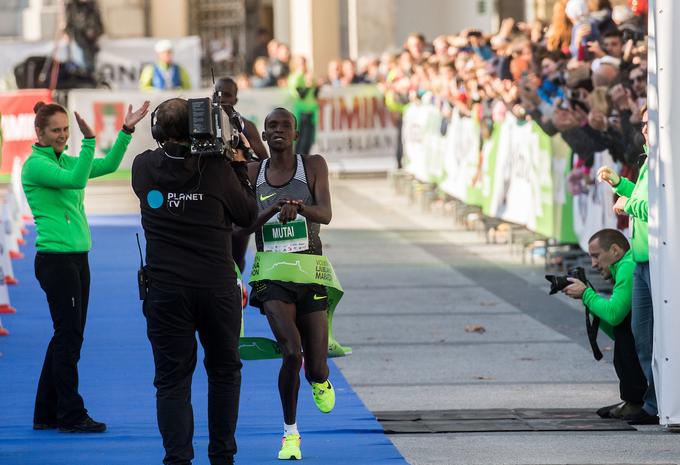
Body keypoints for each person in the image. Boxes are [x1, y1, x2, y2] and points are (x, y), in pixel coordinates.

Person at [131, 98, 258, 465]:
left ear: (157, 132)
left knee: (172, 379)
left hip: (166, 291)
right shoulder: (218, 169)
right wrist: (237, 163)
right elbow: (247, 214)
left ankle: (177, 459)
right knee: (224, 372)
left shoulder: (143, 167)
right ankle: (222, 457)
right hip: (216, 289)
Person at [22, 99, 150, 433]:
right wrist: (89, 140)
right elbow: (78, 181)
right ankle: (70, 414)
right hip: (56, 260)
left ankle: (46, 412)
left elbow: (106, 166)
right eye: (56, 130)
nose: (63, 135)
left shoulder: (63, 161)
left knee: (65, 336)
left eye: (66, 130)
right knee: (69, 337)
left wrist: (126, 130)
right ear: (39, 132)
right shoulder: (35, 165)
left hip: (76, 258)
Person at [240, 108, 341, 460]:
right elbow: (241, 226)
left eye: (285, 126)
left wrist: (299, 208)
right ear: (264, 137)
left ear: (296, 134)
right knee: (291, 351)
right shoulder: (253, 173)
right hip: (270, 273)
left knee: (315, 366)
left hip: (310, 269)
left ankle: (320, 379)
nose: (278, 130)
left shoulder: (312, 165)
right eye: (272, 127)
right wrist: (269, 212)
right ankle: (290, 435)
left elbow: (326, 213)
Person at [597, 105, 657, 425]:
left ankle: (658, 401)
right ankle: (652, 400)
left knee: (649, 335)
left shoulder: (665, 161)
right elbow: (644, 198)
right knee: (640, 335)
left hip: (657, 261)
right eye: (643, 123)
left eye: (650, 123)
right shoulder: (649, 159)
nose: (644, 129)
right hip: (643, 261)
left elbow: (661, 206)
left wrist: (628, 204)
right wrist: (621, 184)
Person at [562, 229, 647, 419]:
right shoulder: (624, 265)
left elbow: (615, 315)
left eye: (596, 256)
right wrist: (589, 300)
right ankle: (635, 400)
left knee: (626, 340)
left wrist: (587, 294)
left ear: (615, 251)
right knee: (624, 335)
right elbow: (615, 328)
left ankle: (638, 401)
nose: (593, 264)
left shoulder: (627, 266)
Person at [214, 76, 268, 272]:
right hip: (211, 196)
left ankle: (237, 295)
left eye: (227, 95)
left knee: (237, 254)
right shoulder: (201, 127)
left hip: (239, 196)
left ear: (236, 100)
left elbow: (264, 161)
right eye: (218, 93)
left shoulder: (246, 126)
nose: (222, 99)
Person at [288, 56, 319, 155]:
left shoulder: (308, 76)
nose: (304, 66)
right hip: (301, 113)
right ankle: (299, 162)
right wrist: (308, 85)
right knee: (301, 141)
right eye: (302, 63)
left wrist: (317, 85)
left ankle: (305, 162)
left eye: (305, 63)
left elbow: (315, 94)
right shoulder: (295, 78)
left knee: (309, 141)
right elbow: (300, 95)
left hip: (311, 112)